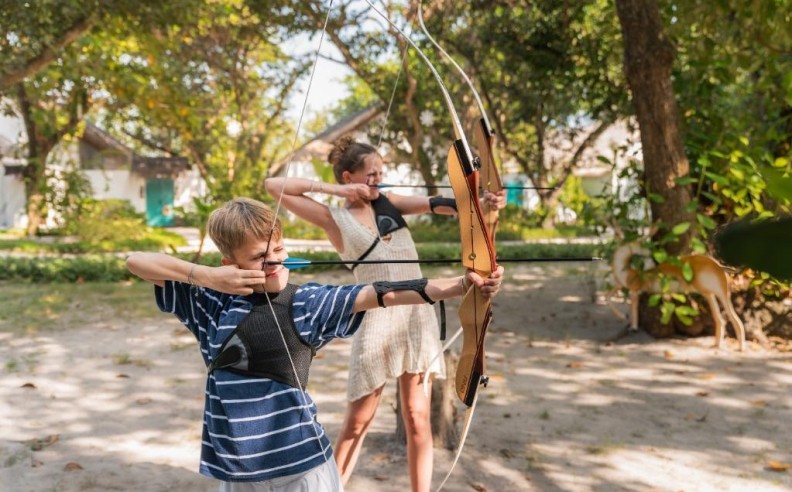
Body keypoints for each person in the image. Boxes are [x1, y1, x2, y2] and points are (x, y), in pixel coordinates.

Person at [125, 197, 504, 492]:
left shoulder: (305, 303)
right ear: (230, 263)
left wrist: (460, 286)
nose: (274, 261)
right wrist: (207, 276)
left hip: (304, 467)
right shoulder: (209, 303)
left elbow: (381, 293)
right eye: (259, 257)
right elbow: (135, 261)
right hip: (238, 472)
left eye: (278, 250)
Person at [264, 136, 505, 492]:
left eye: (381, 172)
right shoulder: (334, 218)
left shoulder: (389, 202)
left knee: (417, 417)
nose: (379, 179)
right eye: (371, 173)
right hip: (375, 319)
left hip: (417, 318)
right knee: (357, 422)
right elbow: (275, 186)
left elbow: (451, 205)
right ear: (349, 176)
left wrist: (485, 202)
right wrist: (337, 191)